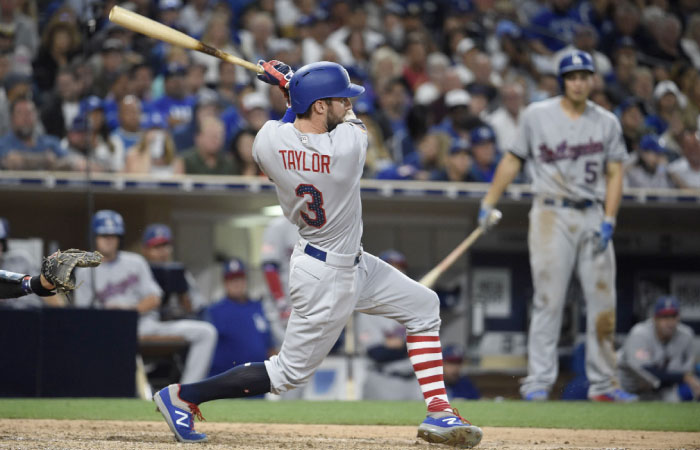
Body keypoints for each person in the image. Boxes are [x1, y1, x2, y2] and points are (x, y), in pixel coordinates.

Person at [152, 60, 483, 448]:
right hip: (326, 275)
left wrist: (291, 93)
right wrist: (292, 87)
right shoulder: (348, 148)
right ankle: (183, 397)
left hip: (343, 261)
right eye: (340, 99)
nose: (348, 104)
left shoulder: (267, 142)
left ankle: (439, 411)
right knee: (285, 375)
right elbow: (348, 123)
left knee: (424, 306)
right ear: (322, 106)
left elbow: (292, 121)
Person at [478, 50, 637, 403]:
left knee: (602, 302)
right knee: (549, 300)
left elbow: (615, 173)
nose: (579, 82)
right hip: (551, 212)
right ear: (563, 80)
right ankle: (537, 381)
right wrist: (490, 201)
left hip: (593, 212)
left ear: (593, 80)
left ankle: (604, 385)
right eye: (572, 76)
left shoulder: (607, 121)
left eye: (584, 76)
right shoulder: (537, 115)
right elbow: (512, 159)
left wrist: (610, 218)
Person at [74, 210, 217, 385]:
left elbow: (154, 298)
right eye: (104, 235)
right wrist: (112, 317)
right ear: (94, 237)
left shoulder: (135, 262)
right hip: (108, 331)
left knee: (206, 332)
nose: (109, 239)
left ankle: (185, 391)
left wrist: (128, 312)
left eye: (113, 235)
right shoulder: (84, 271)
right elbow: (82, 315)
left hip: (146, 325)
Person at [356, 250, 422, 402]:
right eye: (391, 269)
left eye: (400, 269)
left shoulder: (414, 305)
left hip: (414, 381)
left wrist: (400, 344)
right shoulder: (368, 308)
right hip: (384, 381)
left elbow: (427, 346)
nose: (397, 273)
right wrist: (409, 344)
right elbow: (377, 353)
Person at [203, 258, 275, 380]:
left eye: (239, 278)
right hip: (225, 382)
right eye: (231, 279)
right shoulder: (213, 311)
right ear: (225, 283)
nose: (236, 283)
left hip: (258, 382)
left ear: (246, 280)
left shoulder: (257, 307)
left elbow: (269, 345)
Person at [618, 296, 700, 401]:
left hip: (658, 391)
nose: (669, 322)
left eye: (673, 316)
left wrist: (688, 378)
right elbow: (646, 373)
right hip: (625, 388)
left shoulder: (686, 335)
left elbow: (688, 371)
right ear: (655, 319)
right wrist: (683, 377)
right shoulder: (640, 333)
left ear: (678, 317)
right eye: (664, 317)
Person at [141, 223, 205, 321]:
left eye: (165, 246)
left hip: (175, 322)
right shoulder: (139, 271)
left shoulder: (179, 271)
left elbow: (195, 308)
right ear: (145, 250)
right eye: (157, 247)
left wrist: (183, 293)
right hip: (145, 320)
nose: (162, 251)